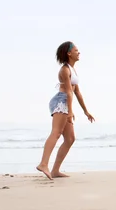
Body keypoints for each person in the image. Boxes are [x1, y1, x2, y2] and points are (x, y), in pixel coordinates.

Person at [36, 41, 95, 179]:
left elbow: (77, 92)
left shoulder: (72, 69)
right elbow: (68, 92)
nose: (78, 52)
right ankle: (43, 164)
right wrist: (69, 112)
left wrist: (86, 111)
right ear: (69, 53)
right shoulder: (65, 70)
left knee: (69, 138)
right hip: (61, 102)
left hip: (66, 102)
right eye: (76, 50)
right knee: (56, 133)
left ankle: (55, 170)